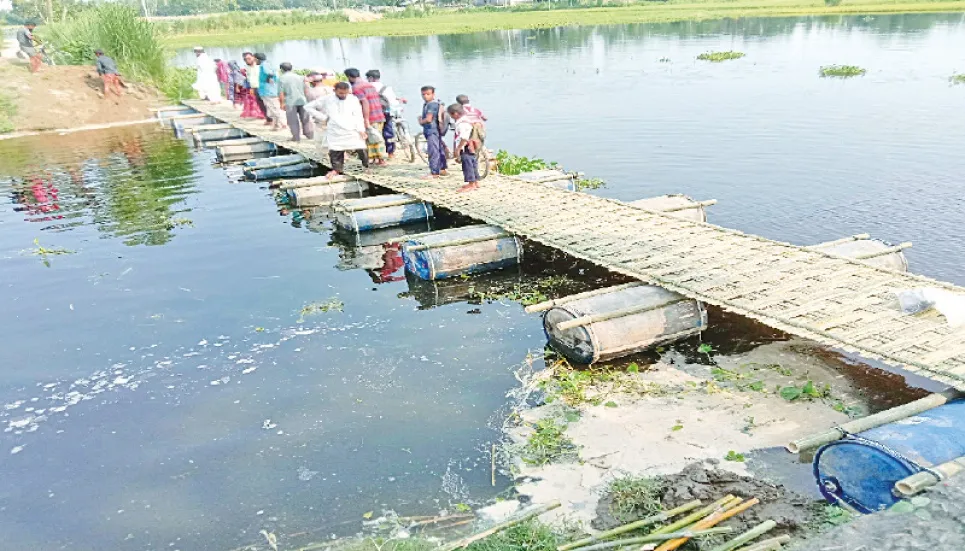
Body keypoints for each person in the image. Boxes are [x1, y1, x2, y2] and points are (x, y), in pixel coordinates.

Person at [305, 82, 369, 178]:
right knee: (335, 150)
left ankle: (366, 166)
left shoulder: (353, 99)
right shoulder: (327, 98)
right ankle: (336, 170)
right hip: (334, 128)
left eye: (345, 93)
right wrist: (323, 117)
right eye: (340, 93)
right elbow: (308, 107)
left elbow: (358, 115)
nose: (343, 95)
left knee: (361, 147)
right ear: (334, 90)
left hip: (351, 127)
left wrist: (361, 129)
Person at [345, 68, 387, 166]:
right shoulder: (369, 85)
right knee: (375, 137)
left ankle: (381, 160)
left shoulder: (356, 87)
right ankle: (376, 159)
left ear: (349, 77)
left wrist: (366, 119)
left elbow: (364, 103)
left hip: (370, 116)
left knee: (373, 138)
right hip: (379, 114)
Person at [365, 69, 405, 159]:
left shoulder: (367, 88)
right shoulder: (386, 88)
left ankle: (376, 156)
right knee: (388, 132)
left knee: (374, 133)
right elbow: (393, 102)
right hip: (386, 113)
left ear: (370, 78)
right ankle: (390, 153)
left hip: (373, 114)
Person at [448, 104, 481, 193]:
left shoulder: (462, 124)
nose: (451, 117)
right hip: (472, 146)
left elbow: (464, 137)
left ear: (455, 114)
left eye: (451, 115)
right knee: (473, 163)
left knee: (467, 165)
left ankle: (471, 184)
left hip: (466, 146)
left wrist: (458, 148)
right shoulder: (467, 119)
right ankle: (475, 181)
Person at [278, 62, 313, 142]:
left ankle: (296, 137)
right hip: (302, 100)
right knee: (305, 119)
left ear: (282, 69)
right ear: (291, 68)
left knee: (292, 121)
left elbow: (281, 92)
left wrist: (282, 103)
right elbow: (306, 89)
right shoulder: (300, 77)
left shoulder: (282, 78)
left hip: (290, 102)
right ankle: (310, 135)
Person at [419, 85, 448, 178]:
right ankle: (442, 169)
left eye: (428, 94)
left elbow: (428, 119)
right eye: (423, 94)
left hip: (432, 130)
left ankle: (434, 172)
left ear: (433, 94)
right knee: (439, 149)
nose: (425, 96)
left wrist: (420, 121)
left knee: (433, 151)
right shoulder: (432, 104)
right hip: (436, 130)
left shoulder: (431, 105)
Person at [256, 53, 283, 130]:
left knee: (273, 108)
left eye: (255, 59)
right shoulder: (268, 63)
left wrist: (269, 78)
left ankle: (278, 125)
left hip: (268, 90)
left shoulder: (264, 65)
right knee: (272, 108)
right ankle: (279, 124)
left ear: (257, 59)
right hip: (268, 90)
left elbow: (270, 73)